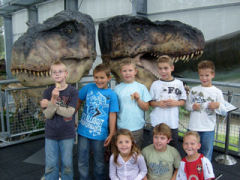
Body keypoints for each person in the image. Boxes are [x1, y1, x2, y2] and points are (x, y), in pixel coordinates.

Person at [76, 63, 119, 180]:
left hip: (100, 134)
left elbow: (112, 114)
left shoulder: (112, 95)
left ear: (108, 78)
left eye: (102, 78)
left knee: (99, 160)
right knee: (82, 159)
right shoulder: (88, 88)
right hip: (83, 132)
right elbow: (78, 101)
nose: (98, 80)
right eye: (96, 77)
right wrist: (71, 117)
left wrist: (111, 133)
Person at [40, 60, 78, 180]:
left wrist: (52, 103)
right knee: (51, 165)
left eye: (60, 71)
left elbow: (70, 112)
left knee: (67, 164)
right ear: (51, 75)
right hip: (51, 134)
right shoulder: (47, 92)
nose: (57, 74)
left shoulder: (72, 91)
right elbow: (48, 115)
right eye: (54, 72)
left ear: (66, 73)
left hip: (67, 133)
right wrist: (53, 98)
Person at [185, 60, 226, 161]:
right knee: (191, 152)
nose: (204, 78)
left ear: (213, 75)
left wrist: (217, 106)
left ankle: (205, 174)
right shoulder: (194, 90)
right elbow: (187, 106)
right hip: (193, 127)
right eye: (201, 75)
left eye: (206, 75)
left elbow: (224, 111)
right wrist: (192, 107)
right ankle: (191, 173)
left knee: (206, 153)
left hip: (208, 129)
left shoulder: (217, 92)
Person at [149, 55, 187, 150]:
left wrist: (175, 103)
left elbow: (183, 101)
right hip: (157, 123)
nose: (163, 71)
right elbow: (150, 102)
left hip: (172, 123)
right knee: (155, 148)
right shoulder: (155, 84)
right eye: (160, 69)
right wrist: (158, 104)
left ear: (172, 68)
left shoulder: (179, 83)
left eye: (165, 68)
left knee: (172, 149)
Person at [114, 59, 152, 148]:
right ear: (121, 72)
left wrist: (138, 99)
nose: (127, 73)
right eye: (124, 71)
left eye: (130, 70)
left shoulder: (141, 87)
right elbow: (114, 110)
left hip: (137, 127)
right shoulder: (117, 89)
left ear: (135, 71)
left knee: (135, 151)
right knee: (122, 151)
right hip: (122, 127)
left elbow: (146, 107)